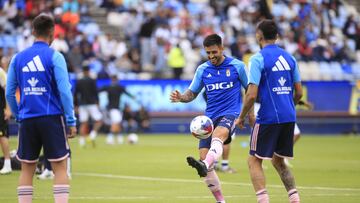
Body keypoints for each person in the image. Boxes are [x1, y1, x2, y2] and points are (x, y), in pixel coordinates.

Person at [6, 14, 77, 203]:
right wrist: (71, 120)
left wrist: (18, 114)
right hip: (52, 118)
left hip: (27, 119)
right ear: (52, 33)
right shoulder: (56, 56)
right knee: (60, 167)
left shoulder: (17, 58)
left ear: (33, 32)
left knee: (27, 169)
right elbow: (65, 91)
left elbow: (9, 93)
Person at [170, 34, 249, 203]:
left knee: (218, 135)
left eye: (214, 52)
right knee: (205, 157)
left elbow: (250, 90)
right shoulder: (203, 69)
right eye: (208, 53)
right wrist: (181, 97)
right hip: (209, 118)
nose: (211, 56)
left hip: (231, 114)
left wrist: (248, 114)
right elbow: (192, 93)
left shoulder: (237, 66)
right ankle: (220, 201)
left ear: (222, 48)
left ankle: (205, 164)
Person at [236, 19, 302, 203]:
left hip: (268, 117)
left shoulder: (257, 58)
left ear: (259, 35)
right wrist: (288, 106)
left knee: (254, 160)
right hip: (289, 116)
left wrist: (241, 117)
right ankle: (295, 199)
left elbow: (251, 94)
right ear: (277, 36)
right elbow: (299, 92)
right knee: (278, 161)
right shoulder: (290, 58)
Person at [254, 99, 313, 168]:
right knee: (261, 136)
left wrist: (302, 103)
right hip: (262, 106)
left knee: (296, 134)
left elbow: (289, 95)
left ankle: (280, 156)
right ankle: (257, 160)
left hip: (279, 108)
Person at [203, 91, 236, 174]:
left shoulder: (213, 85)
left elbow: (204, 94)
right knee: (225, 140)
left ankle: (214, 164)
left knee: (215, 140)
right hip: (228, 114)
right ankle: (224, 165)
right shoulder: (232, 86)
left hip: (214, 114)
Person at [100, 75, 135, 145]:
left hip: (113, 108)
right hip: (114, 109)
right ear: (116, 79)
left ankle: (119, 138)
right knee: (115, 122)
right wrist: (132, 96)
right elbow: (126, 93)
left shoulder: (108, 87)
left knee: (118, 122)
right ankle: (109, 138)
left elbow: (99, 90)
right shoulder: (119, 87)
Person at [74, 65, 103, 148]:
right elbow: (96, 92)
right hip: (92, 103)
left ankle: (82, 141)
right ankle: (92, 136)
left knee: (83, 123)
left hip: (82, 104)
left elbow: (76, 94)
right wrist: (98, 102)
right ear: (89, 71)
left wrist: (76, 105)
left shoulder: (79, 81)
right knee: (99, 121)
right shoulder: (92, 80)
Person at [0, 66, 12, 174]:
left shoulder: (0, 72)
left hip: (0, 109)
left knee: (2, 135)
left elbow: (7, 89)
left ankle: (7, 164)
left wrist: (8, 109)